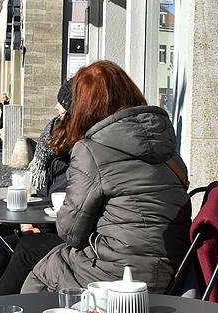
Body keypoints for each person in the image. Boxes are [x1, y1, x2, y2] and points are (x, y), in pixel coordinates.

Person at [22, 61, 191, 294]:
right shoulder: (168, 147)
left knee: (42, 273)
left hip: (119, 275)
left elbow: (71, 233)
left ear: (86, 107)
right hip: (173, 271)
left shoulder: (91, 150)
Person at [0, 81, 73, 298]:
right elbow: (44, 194)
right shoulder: (52, 148)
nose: (56, 108)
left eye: (62, 103)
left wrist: (35, 223)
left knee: (2, 248)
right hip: (47, 223)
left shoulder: (78, 153)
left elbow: (69, 203)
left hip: (59, 231)